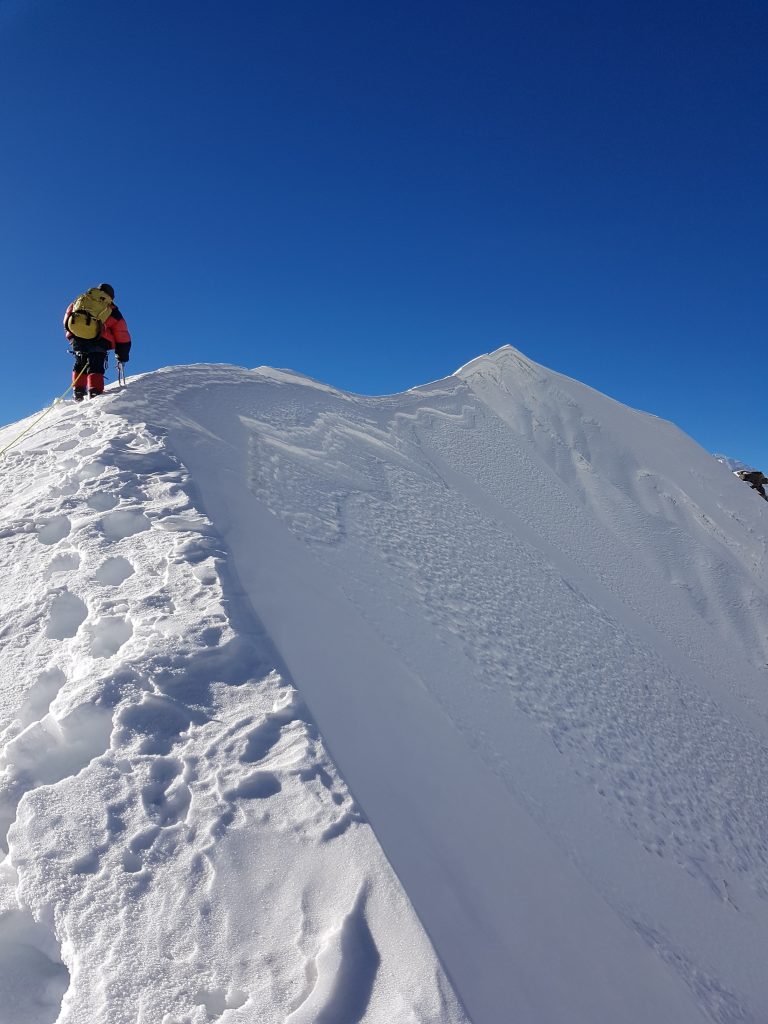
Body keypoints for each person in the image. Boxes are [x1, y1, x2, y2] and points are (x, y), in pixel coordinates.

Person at [63, 283, 131, 400]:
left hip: (77, 338)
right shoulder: (111, 309)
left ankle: (78, 391)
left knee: (80, 363)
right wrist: (122, 355)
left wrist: (71, 336)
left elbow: (67, 318)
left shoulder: (81, 300)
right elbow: (121, 334)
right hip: (99, 340)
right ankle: (95, 392)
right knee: (96, 365)